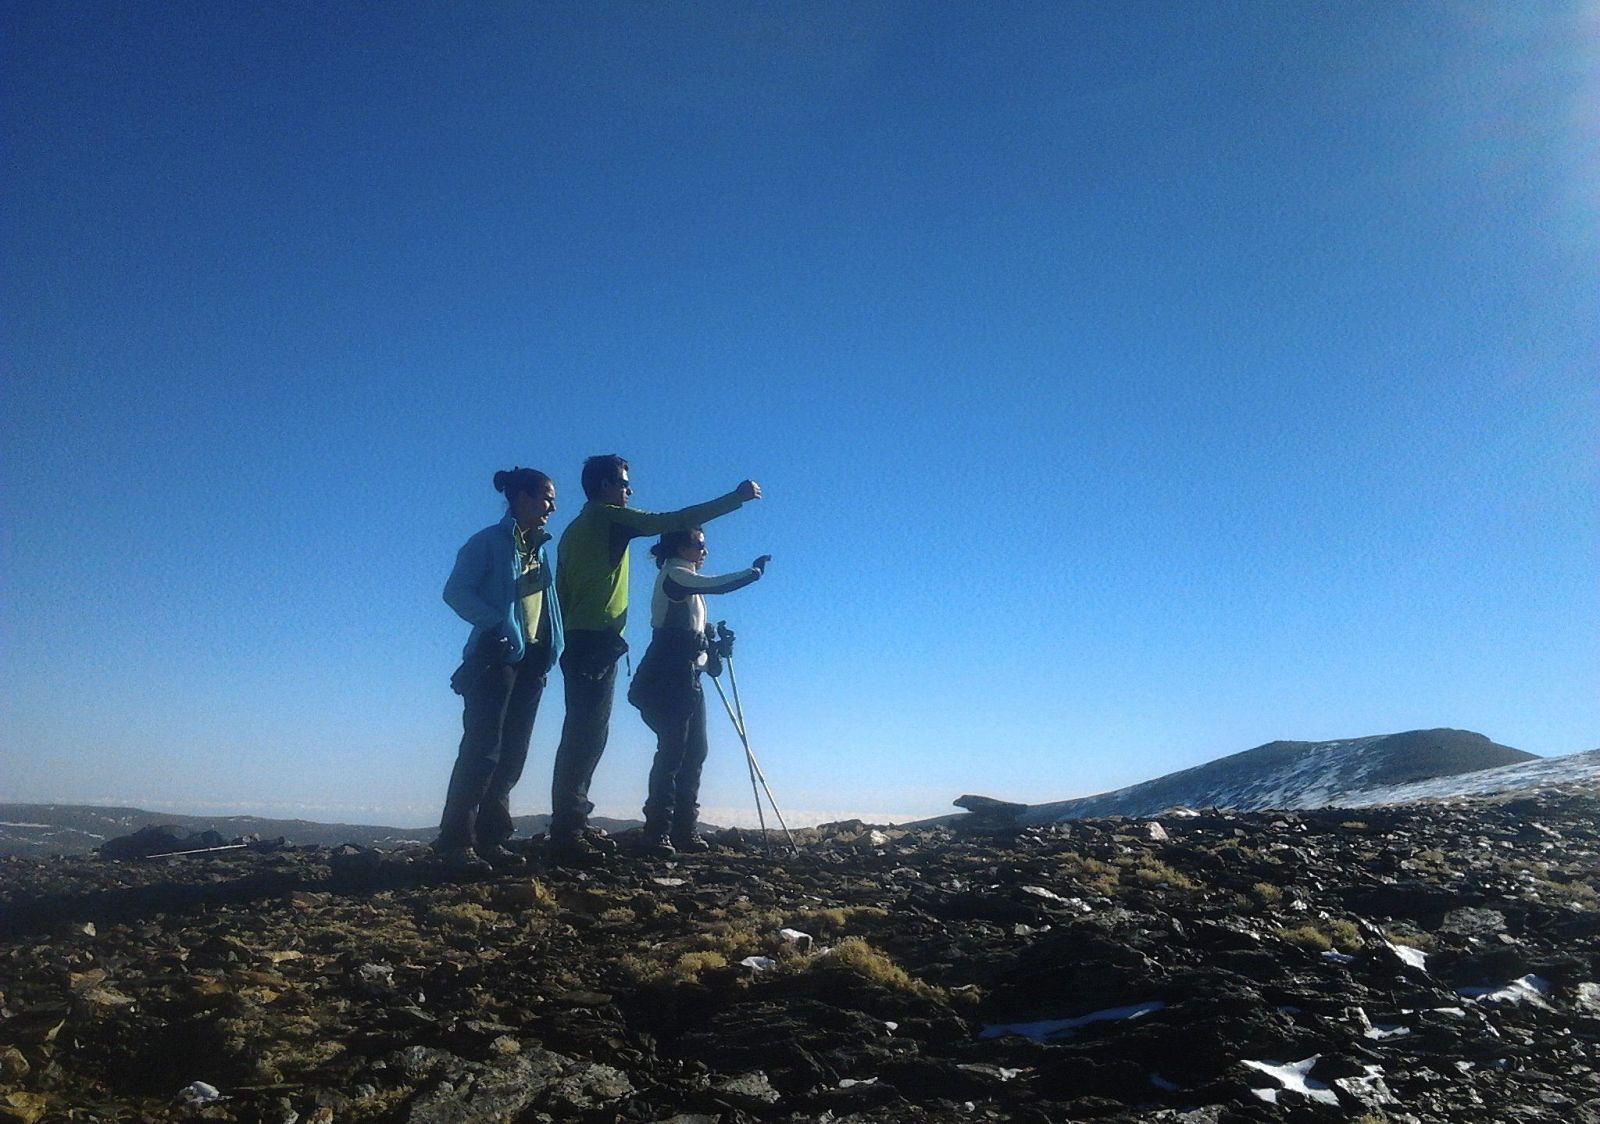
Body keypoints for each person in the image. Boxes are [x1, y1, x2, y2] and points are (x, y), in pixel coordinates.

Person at [549, 454, 761, 860]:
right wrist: (734, 499)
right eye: (625, 484)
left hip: (587, 639)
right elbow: (671, 519)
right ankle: (577, 831)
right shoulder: (608, 519)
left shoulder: (575, 531)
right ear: (606, 487)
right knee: (590, 736)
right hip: (600, 641)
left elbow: (563, 587)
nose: (630, 491)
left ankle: (576, 824)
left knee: (591, 735)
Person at [433, 467, 562, 875]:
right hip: (495, 658)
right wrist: (496, 625)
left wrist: (551, 645)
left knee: (512, 754)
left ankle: (491, 839)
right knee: (482, 751)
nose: (552, 507)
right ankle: (455, 842)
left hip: (532, 661)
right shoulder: (487, 542)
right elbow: (455, 591)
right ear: (520, 497)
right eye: (545, 497)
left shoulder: (538, 548)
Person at [628, 527, 769, 857]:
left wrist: (713, 653)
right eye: (699, 545)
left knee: (694, 751)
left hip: (685, 676)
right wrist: (753, 573)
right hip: (668, 677)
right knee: (675, 751)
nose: (705, 551)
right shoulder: (676, 574)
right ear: (681, 547)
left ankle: (681, 829)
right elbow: (717, 585)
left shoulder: (685, 580)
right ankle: (659, 832)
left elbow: (695, 645)